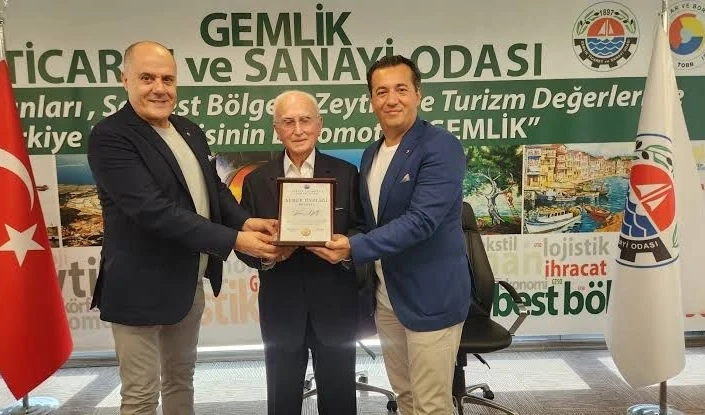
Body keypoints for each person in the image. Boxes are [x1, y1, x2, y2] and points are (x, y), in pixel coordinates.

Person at [87, 40, 281, 415]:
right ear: (124, 79)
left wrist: (244, 220)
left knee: (180, 380)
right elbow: (153, 211)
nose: (159, 88)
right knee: (141, 395)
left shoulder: (189, 130)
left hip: (186, 283)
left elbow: (214, 189)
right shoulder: (111, 137)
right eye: (147, 78)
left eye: (167, 79)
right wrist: (236, 239)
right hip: (138, 289)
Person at [309, 55, 471, 415]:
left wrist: (353, 246)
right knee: (405, 396)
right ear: (371, 100)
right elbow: (371, 220)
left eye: (401, 89)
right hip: (387, 296)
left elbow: (422, 221)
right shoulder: (371, 153)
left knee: (431, 404)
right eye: (381, 92)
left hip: (431, 297)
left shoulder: (441, 146)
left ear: (418, 94)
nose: (391, 99)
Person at [235, 90, 364, 415]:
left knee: (339, 400)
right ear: (276, 129)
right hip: (281, 307)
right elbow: (244, 242)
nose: (298, 130)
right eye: (288, 122)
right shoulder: (256, 181)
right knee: (282, 401)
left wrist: (346, 250)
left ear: (319, 125)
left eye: (305, 120)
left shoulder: (346, 174)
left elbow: (363, 230)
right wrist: (267, 256)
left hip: (335, 305)